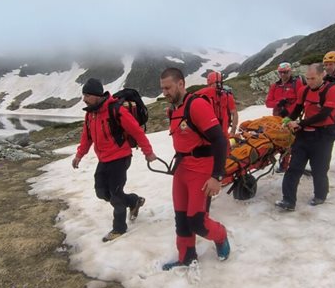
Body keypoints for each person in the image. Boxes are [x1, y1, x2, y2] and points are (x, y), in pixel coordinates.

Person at [159, 68, 230, 270]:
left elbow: (219, 140)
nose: (164, 92)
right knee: (181, 218)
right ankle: (187, 257)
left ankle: (221, 235)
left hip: (201, 169)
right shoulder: (173, 108)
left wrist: (216, 176)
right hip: (182, 169)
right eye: (162, 88)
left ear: (181, 84)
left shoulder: (196, 105)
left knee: (197, 221)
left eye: (168, 87)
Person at [72, 78, 157, 242]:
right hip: (103, 159)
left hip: (120, 157)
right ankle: (134, 201)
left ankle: (119, 228)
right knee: (101, 192)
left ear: (97, 95)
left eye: (87, 95)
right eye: (84, 95)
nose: (84, 99)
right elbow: (86, 137)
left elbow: (137, 132)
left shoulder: (116, 110)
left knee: (116, 195)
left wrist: (148, 152)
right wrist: (79, 155)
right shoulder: (90, 114)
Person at [275, 64, 335, 212]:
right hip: (304, 134)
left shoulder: (333, 90)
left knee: (319, 169)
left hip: (323, 135)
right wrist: (287, 119)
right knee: (294, 168)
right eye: (307, 78)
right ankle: (288, 201)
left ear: (322, 75)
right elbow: (298, 108)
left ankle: (320, 195)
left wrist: (299, 122)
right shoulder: (304, 90)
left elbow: (324, 114)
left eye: (313, 78)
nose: (310, 81)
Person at [265, 62, 305, 172]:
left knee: (291, 142)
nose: (283, 75)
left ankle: (289, 164)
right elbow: (268, 103)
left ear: (290, 71)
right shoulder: (275, 86)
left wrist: (289, 110)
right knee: (279, 141)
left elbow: (300, 100)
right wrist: (278, 103)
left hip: (291, 118)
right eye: (281, 72)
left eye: (285, 72)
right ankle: (283, 164)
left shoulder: (296, 83)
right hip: (277, 118)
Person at [196, 71, 239, 139]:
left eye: (213, 84)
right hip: (209, 135)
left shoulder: (227, 96)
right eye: (210, 85)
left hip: (221, 134)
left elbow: (234, 113)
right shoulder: (204, 94)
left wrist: (233, 131)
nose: (212, 87)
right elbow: (234, 113)